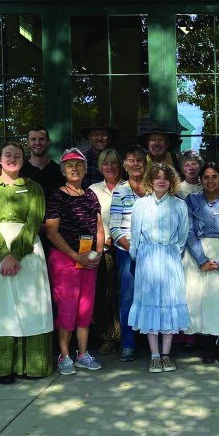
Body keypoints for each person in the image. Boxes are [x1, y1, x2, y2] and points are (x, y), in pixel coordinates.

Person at [0, 141, 53, 383]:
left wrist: (16, 254)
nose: (12, 159)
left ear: (23, 159)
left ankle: (31, 365)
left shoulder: (34, 188)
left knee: (31, 307)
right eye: (8, 155)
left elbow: (34, 222)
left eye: (17, 155)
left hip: (27, 250)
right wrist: (3, 254)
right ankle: (3, 367)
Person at [45, 148, 104, 375]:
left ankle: (82, 354)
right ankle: (64, 355)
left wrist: (97, 253)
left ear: (85, 169)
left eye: (79, 165)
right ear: (63, 170)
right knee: (67, 307)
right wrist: (74, 255)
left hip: (88, 258)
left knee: (85, 308)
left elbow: (99, 227)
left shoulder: (90, 195)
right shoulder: (57, 195)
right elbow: (52, 232)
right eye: (70, 165)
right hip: (64, 258)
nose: (74, 169)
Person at [128, 163, 191, 373]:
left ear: (171, 181)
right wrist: (138, 256)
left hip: (170, 258)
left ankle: (166, 354)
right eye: (157, 177)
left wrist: (171, 253)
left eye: (165, 177)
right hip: (147, 259)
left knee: (170, 303)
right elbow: (135, 235)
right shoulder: (141, 205)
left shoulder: (179, 205)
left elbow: (183, 237)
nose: (161, 181)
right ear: (150, 180)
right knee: (150, 303)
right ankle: (154, 355)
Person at [184, 162, 219, 364]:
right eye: (206, 177)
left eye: (214, 177)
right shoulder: (191, 201)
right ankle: (207, 347)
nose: (210, 181)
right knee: (202, 301)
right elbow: (188, 231)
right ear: (200, 180)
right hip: (198, 254)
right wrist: (201, 260)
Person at [109, 145, 149, 362]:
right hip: (127, 251)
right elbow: (114, 228)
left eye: (140, 160)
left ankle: (154, 343)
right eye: (131, 160)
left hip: (153, 252)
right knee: (128, 298)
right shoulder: (120, 190)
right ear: (124, 165)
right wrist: (130, 248)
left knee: (153, 296)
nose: (136, 164)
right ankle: (128, 344)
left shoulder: (154, 188)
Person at [89, 148, 123, 355]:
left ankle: (126, 336)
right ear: (100, 167)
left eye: (113, 163)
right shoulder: (93, 190)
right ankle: (107, 337)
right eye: (105, 163)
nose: (109, 167)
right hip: (103, 249)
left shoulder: (130, 188)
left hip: (126, 248)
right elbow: (90, 220)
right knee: (104, 294)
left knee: (123, 293)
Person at [21, 126, 61, 199]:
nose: (37, 143)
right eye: (33, 139)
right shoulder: (20, 171)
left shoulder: (59, 171)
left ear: (48, 142)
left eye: (41, 139)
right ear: (28, 143)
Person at [77, 120, 118, 189]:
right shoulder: (81, 161)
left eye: (104, 135)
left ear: (110, 138)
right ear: (89, 138)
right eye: (95, 134)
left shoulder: (118, 161)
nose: (99, 138)